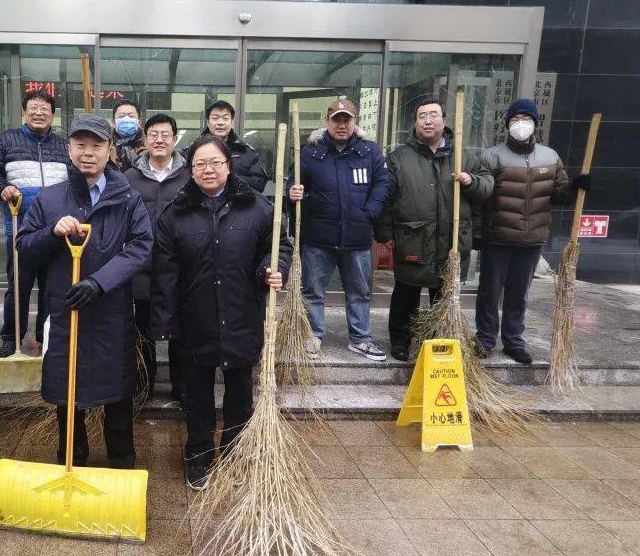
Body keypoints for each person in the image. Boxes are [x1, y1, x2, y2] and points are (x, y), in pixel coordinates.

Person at [152, 135, 291, 490]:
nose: (208, 169)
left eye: (215, 162)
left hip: (242, 315)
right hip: (193, 321)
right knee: (196, 396)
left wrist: (271, 270)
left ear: (229, 166)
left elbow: (278, 249)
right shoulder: (174, 214)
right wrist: (165, 322)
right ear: (191, 170)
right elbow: (164, 273)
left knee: (239, 395)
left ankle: (234, 453)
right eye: (200, 163)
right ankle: (199, 455)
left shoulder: (258, 208)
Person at [16, 114, 152, 469]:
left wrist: (99, 282)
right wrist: (51, 233)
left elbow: (140, 247)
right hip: (65, 312)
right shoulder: (49, 200)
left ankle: (122, 464)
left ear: (110, 151)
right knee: (67, 393)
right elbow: (24, 246)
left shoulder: (128, 199)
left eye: (96, 145)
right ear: (69, 149)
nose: (87, 153)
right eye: (80, 145)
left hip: (111, 314)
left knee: (117, 395)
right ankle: (71, 461)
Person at [376, 96, 493, 362]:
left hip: (451, 241)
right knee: (406, 293)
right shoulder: (399, 158)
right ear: (415, 123)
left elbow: (487, 187)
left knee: (443, 295)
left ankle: (438, 341)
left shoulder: (463, 156)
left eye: (433, 115)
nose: (428, 121)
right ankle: (401, 341)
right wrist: (385, 234)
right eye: (422, 116)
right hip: (413, 238)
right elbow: (385, 199)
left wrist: (470, 180)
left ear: (444, 121)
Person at [474, 98, 586, 364]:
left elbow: (559, 194)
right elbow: (482, 199)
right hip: (498, 237)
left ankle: (514, 341)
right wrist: (478, 235)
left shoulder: (550, 157)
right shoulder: (492, 156)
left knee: (519, 292)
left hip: (532, 238)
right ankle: (485, 339)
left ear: (535, 123)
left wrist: (575, 188)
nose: (520, 124)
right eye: (515, 120)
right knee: (489, 291)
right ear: (507, 124)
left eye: (526, 119)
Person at [289, 98, 391, 362]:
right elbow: (293, 185)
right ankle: (313, 334)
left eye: (347, 119)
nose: (342, 125)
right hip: (317, 238)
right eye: (337, 119)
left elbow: (382, 183)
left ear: (355, 121)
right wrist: (294, 193)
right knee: (313, 290)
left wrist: (370, 212)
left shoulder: (369, 152)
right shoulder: (310, 153)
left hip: (357, 237)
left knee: (359, 291)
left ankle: (360, 338)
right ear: (327, 121)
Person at [0, 89, 69, 358]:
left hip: (55, 230)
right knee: (18, 286)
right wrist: (2, 187)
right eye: (34, 108)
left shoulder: (63, 145)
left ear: (53, 115)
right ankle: (11, 338)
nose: (39, 112)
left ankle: (44, 338)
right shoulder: (5, 141)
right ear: (24, 112)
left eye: (45, 109)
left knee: (51, 288)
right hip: (21, 227)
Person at [124, 112, 189, 402]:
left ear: (175, 140)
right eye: (153, 135)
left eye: (165, 135)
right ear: (145, 140)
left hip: (181, 270)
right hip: (142, 270)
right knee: (143, 331)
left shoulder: (191, 176)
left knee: (181, 333)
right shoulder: (129, 178)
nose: (159, 140)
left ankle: (182, 389)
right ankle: (143, 386)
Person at [186, 100, 268, 194]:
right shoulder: (192, 151)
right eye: (215, 118)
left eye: (225, 118)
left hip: (237, 205)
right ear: (208, 122)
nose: (220, 123)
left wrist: (226, 179)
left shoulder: (246, 152)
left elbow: (259, 183)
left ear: (231, 122)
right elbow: (183, 179)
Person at [111, 98, 145, 173]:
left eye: (131, 116)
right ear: (113, 122)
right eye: (121, 116)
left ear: (139, 122)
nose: (126, 119)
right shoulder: (105, 145)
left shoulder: (149, 145)